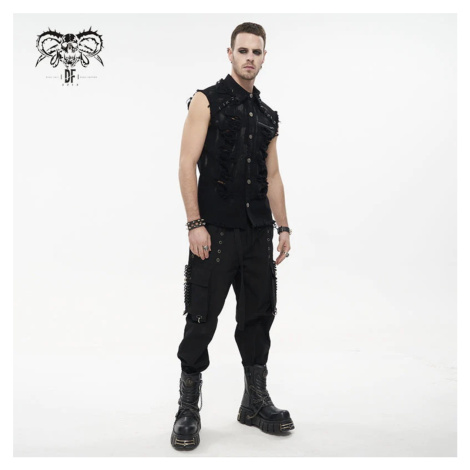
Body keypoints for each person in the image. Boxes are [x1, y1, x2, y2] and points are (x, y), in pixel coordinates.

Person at [171, 22, 294, 451]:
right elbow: (186, 163)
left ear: (264, 57)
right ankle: (188, 408)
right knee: (201, 318)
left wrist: (283, 227)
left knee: (258, 317)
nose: (249, 58)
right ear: (230, 53)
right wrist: (194, 223)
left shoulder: (267, 115)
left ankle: (254, 402)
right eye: (243, 50)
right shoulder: (206, 100)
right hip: (215, 233)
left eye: (256, 52)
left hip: (257, 234)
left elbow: (273, 176)